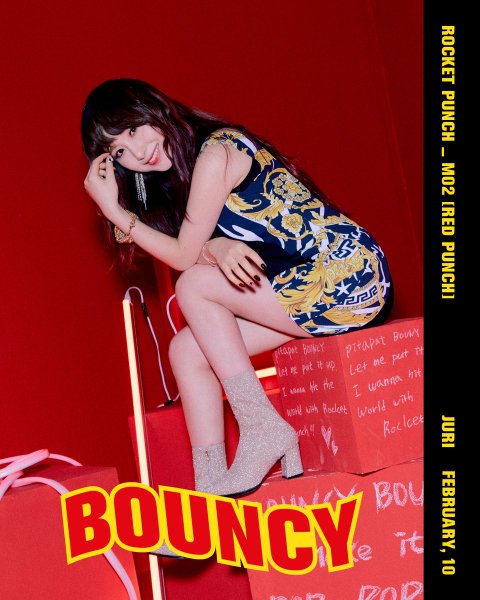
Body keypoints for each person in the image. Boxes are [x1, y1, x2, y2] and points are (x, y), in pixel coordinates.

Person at [81, 78, 392, 502]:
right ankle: (210, 488)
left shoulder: (216, 153)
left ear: (153, 107)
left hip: (348, 275)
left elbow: (184, 257)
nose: (136, 153)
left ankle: (261, 426)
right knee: (185, 352)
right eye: (119, 151)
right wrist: (215, 246)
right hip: (300, 287)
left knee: (193, 285)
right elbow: (195, 247)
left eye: (133, 129)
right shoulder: (182, 173)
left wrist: (114, 210)